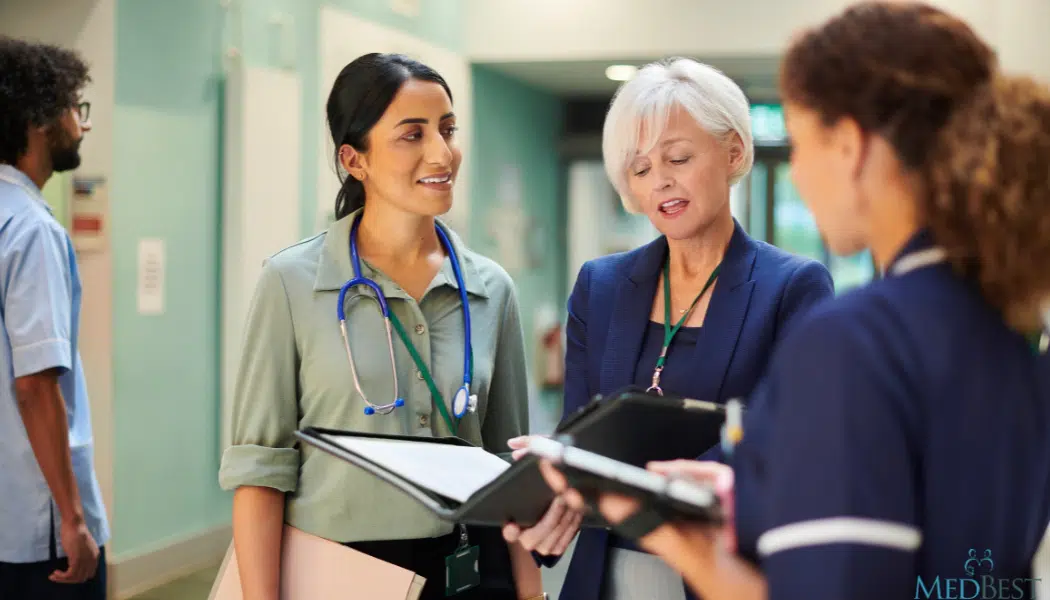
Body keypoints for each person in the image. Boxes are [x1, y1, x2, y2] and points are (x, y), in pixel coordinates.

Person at [537, 3, 1050, 600]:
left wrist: (662, 525)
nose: (798, 175)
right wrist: (741, 494)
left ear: (851, 146)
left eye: (801, 145)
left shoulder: (857, 339)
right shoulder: (1014, 327)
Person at [503, 57, 834, 600]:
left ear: (733, 152)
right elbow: (579, 433)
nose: (660, 180)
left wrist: (631, 482)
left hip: (722, 570)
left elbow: (794, 444)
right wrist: (553, 473)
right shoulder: (600, 285)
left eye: (678, 157)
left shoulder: (793, 288)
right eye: (639, 169)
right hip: (606, 573)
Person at [218, 53, 545, 600]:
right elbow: (261, 469)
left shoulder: (491, 289)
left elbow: (508, 463)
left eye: (447, 130)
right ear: (355, 160)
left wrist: (532, 589)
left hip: (470, 564)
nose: (441, 153)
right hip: (341, 570)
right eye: (411, 135)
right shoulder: (292, 283)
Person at [0, 36, 110, 599]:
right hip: (39, 534)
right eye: (76, 109)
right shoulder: (33, 232)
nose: (82, 126)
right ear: (42, 119)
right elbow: (36, 386)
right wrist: (72, 519)